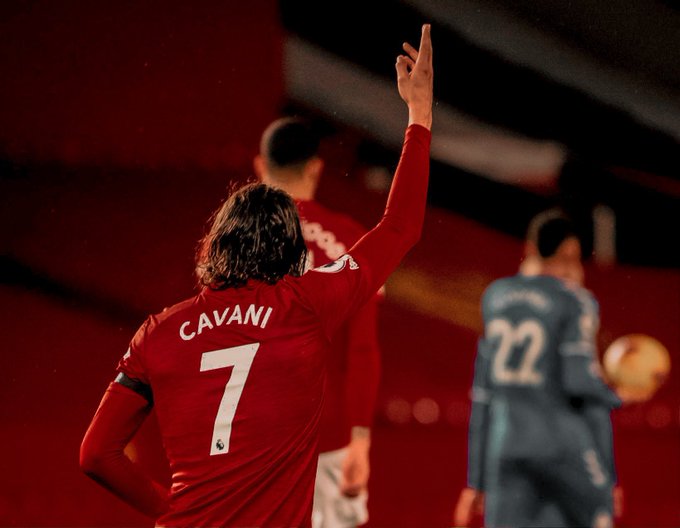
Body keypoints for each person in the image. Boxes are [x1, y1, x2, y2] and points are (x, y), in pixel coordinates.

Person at [79, 24, 433, 527]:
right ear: (290, 248)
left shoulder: (158, 332)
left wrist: (169, 510)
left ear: (217, 240)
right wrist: (419, 116)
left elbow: (96, 454)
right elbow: (400, 226)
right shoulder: (305, 304)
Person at [453, 208, 622, 528]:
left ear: (529, 249)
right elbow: (578, 384)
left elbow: (483, 395)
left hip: (506, 444)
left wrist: (476, 480)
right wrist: (617, 393)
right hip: (561, 445)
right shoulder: (575, 300)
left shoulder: (495, 297)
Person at [253, 117, 381, 528]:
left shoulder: (231, 243)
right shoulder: (351, 240)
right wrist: (360, 438)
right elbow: (362, 349)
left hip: (249, 434)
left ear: (260, 166)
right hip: (328, 433)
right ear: (315, 168)